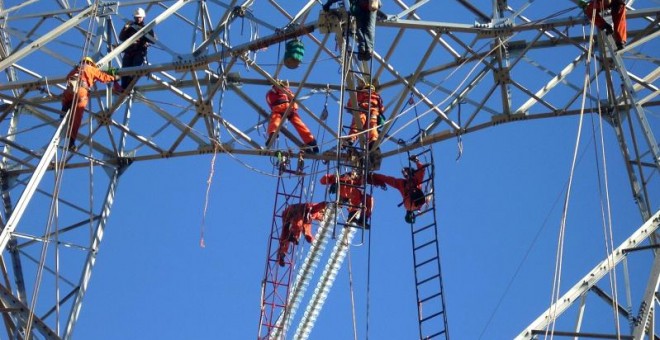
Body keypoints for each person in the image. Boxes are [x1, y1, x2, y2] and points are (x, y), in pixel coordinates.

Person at [61, 57, 119, 151]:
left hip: (68, 91)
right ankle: (71, 141)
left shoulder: (75, 69)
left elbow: (67, 78)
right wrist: (114, 78)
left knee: (67, 102)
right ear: (91, 63)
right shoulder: (91, 68)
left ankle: (64, 111)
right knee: (77, 117)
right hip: (81, 91)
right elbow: (103, 77)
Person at [368, 155, 428, 223]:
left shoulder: (416, 181)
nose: (405, 175)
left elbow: (421, 170)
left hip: (415, 202)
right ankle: (410, 213)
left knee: (415, 192)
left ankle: (411, 212)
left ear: (412, 173)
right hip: (411, 204)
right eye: (404, 174)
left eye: (406, 173)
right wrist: (374, 175)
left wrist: (416, 161)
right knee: (413, 195)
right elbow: (387, 179)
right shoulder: (402, 183)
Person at [265, 80, 319, 154]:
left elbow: (270, 102)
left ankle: (273, 133)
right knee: (299, 124)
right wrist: (293, 107)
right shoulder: (283, 91)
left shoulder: (273, 92)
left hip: (280, 108)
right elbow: (293, 99)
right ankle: (311, 142)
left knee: (276, 120)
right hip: (287, 108)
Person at [277, 202, 327, 267]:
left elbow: (307, 233)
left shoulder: (311, 217)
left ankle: (282, 253)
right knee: (296, 226)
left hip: (291, 215)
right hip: (296, 212)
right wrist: (326, 204)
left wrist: (312, 240)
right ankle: (290, 238)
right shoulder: (314, 211)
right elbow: (318, 206)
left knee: (287, 234)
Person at [118, 8, 155, 90]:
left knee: (135, 70)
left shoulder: (147, 28)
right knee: (125, 71)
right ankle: (123, 88)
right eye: (136, 17)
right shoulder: (130, 27)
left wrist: (146, 41)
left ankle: (128, 86)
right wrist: (125, 28)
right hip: (129, 52)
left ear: (143, 17)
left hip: (139, 52)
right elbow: (121, 38)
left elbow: (153, 40)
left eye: (139, 17)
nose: (138, 19)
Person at [345, 81, 384, 150]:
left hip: (364, 110)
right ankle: (373, 141)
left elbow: (351, 103)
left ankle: (351, 138)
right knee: (372, 125)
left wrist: (350, 107)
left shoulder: (362, 93)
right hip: (372, 111)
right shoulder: (377, 96)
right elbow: (381, 108)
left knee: (359, 122)